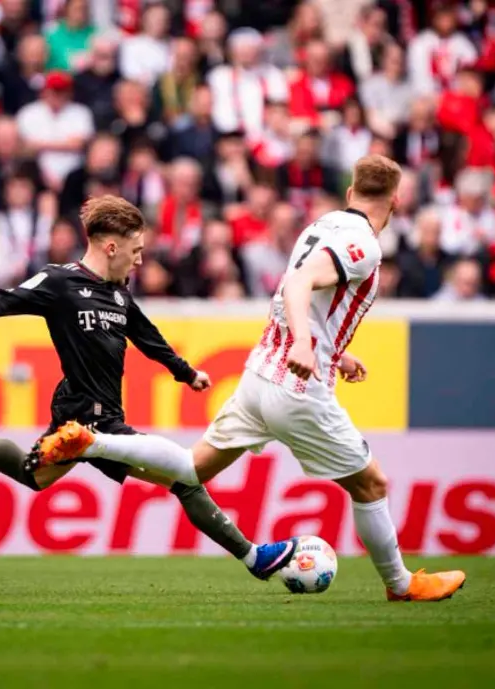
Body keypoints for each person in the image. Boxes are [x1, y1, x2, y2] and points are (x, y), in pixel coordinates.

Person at [27, 157, 467, 602]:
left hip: (260, 376)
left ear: (351, 194)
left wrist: (332, 351)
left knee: (189, 471)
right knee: (372, 485)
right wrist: (301, 344)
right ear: (396, 201)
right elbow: (297, 284)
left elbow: (296, 296)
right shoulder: (365, 244)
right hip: (295, 389)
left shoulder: (325, 224)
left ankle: (88, 443)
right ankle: (401, 584)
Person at [0, 195, 299, 578]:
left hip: (98, 417)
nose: (139, 262)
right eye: (136, 252)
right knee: (184, 478)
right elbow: (5, 301)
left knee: (34, 477)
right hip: (85, 415)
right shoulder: (59, 281)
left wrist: (186, 373)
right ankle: (255, 558)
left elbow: (147, 337)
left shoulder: (118, 295)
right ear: (111, 247)